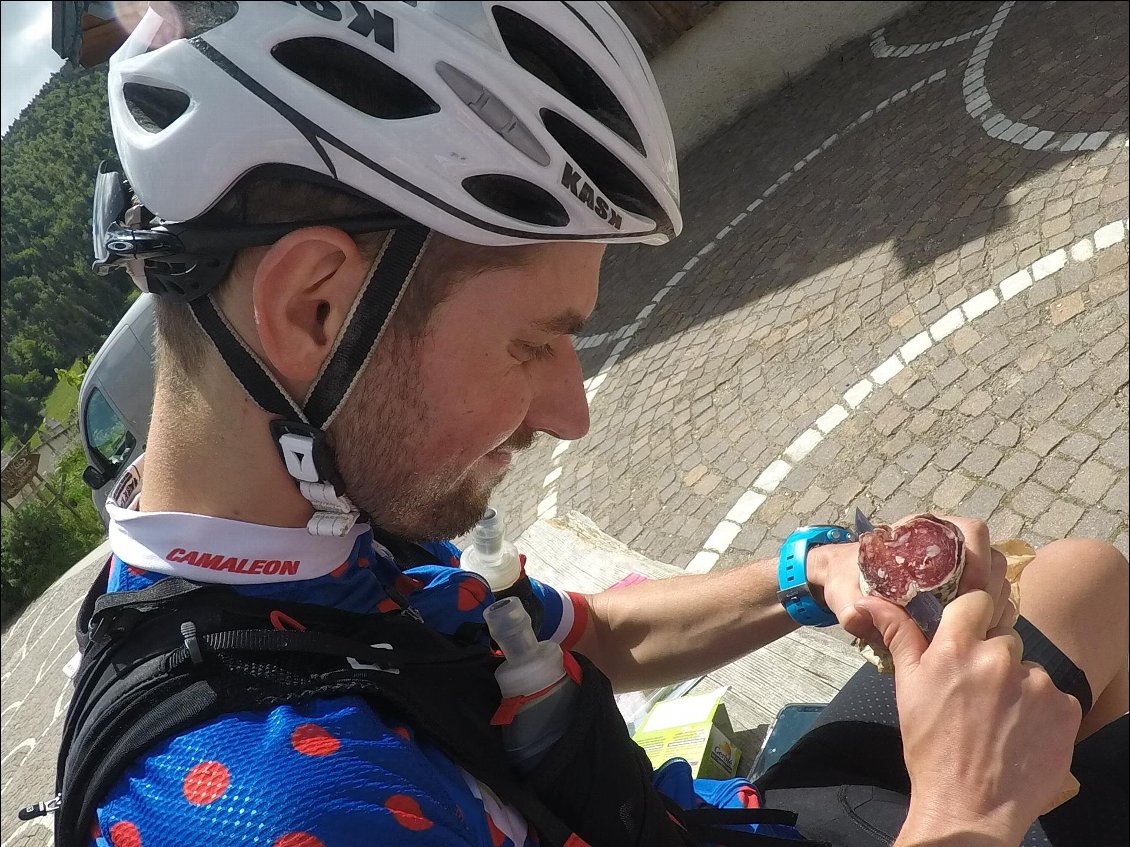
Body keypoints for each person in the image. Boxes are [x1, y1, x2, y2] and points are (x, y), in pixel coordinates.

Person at [66, 2, 1127, 846]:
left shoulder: (316, 539)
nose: (571, 413)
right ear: (313, 310)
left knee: (1085, 577)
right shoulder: (275, 812)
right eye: (532, 341)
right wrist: (964, 811)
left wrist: (815, 573)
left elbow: (590, 637)